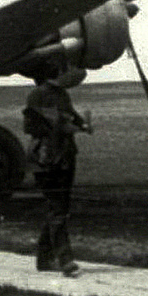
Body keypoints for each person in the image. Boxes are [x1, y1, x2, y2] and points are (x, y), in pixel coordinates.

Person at [23, 68, 91, 277]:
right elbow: (46, 124)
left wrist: (82, 124)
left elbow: (71, 116)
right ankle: (65, 260)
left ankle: (44, 260)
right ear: (57, 72)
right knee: (58, 210)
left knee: (57, 210)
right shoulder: (39, 95)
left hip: (63, 157)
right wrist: (75, 127)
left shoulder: (61, 94)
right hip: (47, 160)